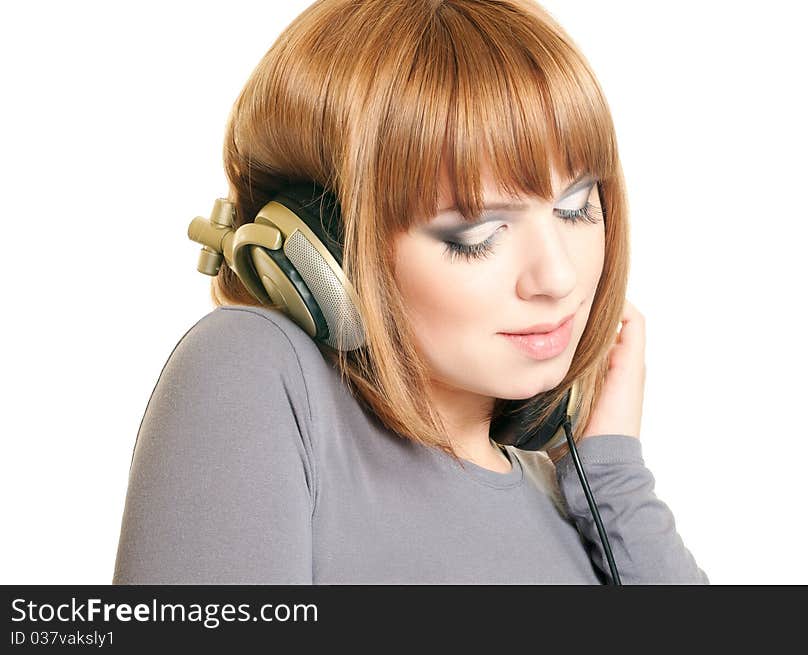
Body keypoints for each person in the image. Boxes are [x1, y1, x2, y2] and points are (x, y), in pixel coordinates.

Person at [112, 0, 709, 584]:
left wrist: (613, 471)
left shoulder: (572, 498)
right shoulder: (255, 371)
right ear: (329, 247)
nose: (557, 278)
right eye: (476, 233)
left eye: (577, 208)